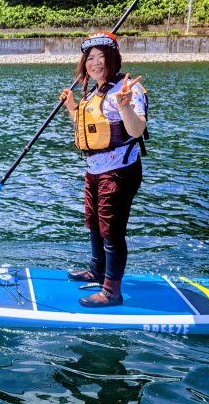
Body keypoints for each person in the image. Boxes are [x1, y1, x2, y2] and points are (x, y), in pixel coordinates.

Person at [59, 31, 148, 307]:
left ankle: (112, 291)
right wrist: (72, 108)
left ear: (113, 59)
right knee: (94, 224)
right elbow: (90, 127)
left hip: (120, 169)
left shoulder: (127, 89)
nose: (95, 63)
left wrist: (124, 106)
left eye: (101, 57)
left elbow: (136, 129)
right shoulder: (93, 92)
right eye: (90, 58)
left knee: (111, 228)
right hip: (95, 169)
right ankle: (96, 271)